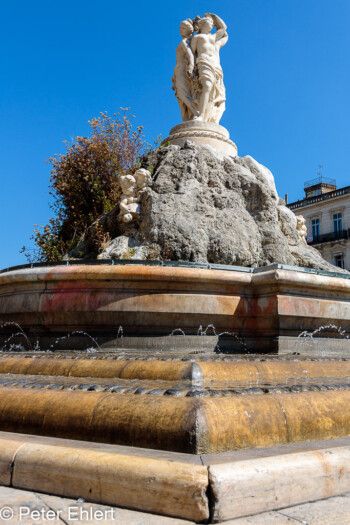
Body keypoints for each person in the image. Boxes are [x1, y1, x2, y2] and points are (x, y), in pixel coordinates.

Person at [190, 13, 228, 122]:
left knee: (212, 91)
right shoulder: (197, 38)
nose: (211, 24)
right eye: (209, 22)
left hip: (214, 66)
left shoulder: (213, 37)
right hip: (203, 62)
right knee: (206, 86)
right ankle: (201, 115)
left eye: (212, 23)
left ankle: (207, 115)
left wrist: (213, 16)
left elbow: (223, 28)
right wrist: (192, 69)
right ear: (202, 24)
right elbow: (192, 55)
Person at [172, 19, 197, 121]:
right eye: (180, 28)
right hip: (178, 70)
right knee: (181, 96)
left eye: (183, 28)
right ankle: (186, 119)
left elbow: (190, 54)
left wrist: (191, 65)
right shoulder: (188, 40)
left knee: (182, 94)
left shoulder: (184, 41)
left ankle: (195, 111)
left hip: (182, 69)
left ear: (189, 30)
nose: (180, 30)